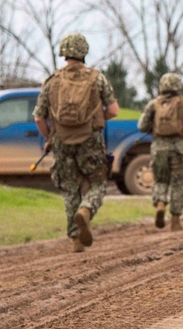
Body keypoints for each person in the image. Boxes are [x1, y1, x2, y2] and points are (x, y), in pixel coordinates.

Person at [34, 33, 119, 253]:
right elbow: (113, 110)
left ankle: (75, 239)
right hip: (90, 139)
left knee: (70, 188)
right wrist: (95, 118)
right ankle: (87, 209)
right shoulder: (97, 78)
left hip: (61, 141)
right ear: (84, 52)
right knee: (98, 183)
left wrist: (49, 138)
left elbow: (39, 117)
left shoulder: (52, 81)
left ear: (63, 53)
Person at [139, 72, 183, 231]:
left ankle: (160, 204)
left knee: (160, 181)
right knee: (177, 184)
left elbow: (141, 126)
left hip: (159, 149)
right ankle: (175, 221)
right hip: (180, 149)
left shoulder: (153, 104)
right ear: (178, 86)